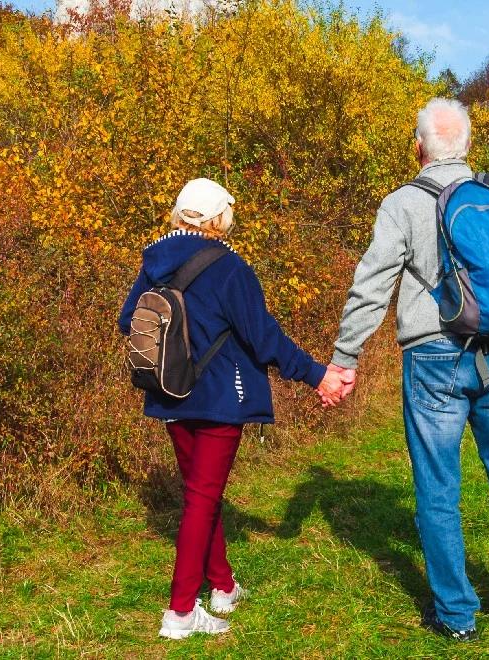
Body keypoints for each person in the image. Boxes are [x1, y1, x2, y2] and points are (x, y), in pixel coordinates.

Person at [326, 98, 489, 644]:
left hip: (433, 358)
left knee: (437, 486)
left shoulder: (403, 203)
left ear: (418, 147)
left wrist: (344, 359)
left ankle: (456, 617)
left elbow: (372, 286)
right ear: (469, 146)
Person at [118, 178, 347, 639]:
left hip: (170, 394)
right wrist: (318, 375)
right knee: (202, 498)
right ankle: (180, 613)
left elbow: (129, 320)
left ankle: (222, 587)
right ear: (220, 218)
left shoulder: (154, 262)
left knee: (202, 494)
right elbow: (264, 339)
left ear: (180, 215)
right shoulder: (230, 268)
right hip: (221, 397)